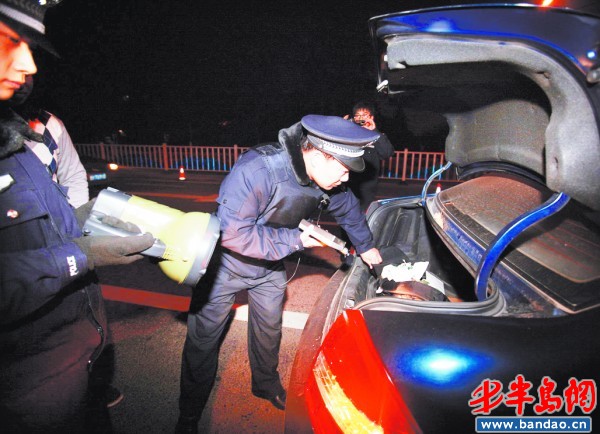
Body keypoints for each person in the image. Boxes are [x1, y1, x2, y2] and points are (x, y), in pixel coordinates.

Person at [0, 1, 155, 432]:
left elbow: (57, 200)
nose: (29, 64)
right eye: (10, 40)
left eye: (30, 45)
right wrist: (78, 256)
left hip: (73, 353)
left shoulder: (13, 137)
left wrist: (85, 219)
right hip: (23, 382)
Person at [175, 114, 383, 434]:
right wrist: (295, 241)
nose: (346, 178)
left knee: (269, 330)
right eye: (343, 170)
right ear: (318, 156)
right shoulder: (259, 168)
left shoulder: (327, 178)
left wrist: (367, 247)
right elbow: (233, 233)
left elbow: (348, 210)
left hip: (269, 264)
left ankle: (265, 384)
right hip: (223, 266)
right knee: (203, 342)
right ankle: (189, 413)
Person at [11, 75, 125, 409]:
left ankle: (91, 383)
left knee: (88, 316)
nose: (27, 68)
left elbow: (73, 175)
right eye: (11, 49)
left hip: (65, 248)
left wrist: (76, 226)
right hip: (25, 260)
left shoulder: (48, 125)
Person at [345, 101, 394, 211]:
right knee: (347, 213)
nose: (360, 118)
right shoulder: (348, 134)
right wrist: (342, 126)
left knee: (363, 214)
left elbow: (387, 153)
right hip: (349, 183)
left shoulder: (376, 136)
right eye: (357, 115)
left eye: (364, 115)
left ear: (371, 117)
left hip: (367, 187)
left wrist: (375, 132)